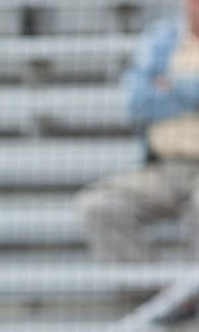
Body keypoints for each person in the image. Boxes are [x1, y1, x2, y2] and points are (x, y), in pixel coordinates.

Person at [76, 0, 199, 263]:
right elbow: (138, 101)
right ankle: (162, 299)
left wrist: (171, 86)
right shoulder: (162, 39)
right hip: (164, 168)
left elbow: (154, 95)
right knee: (99, 206)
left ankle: (191, 291)